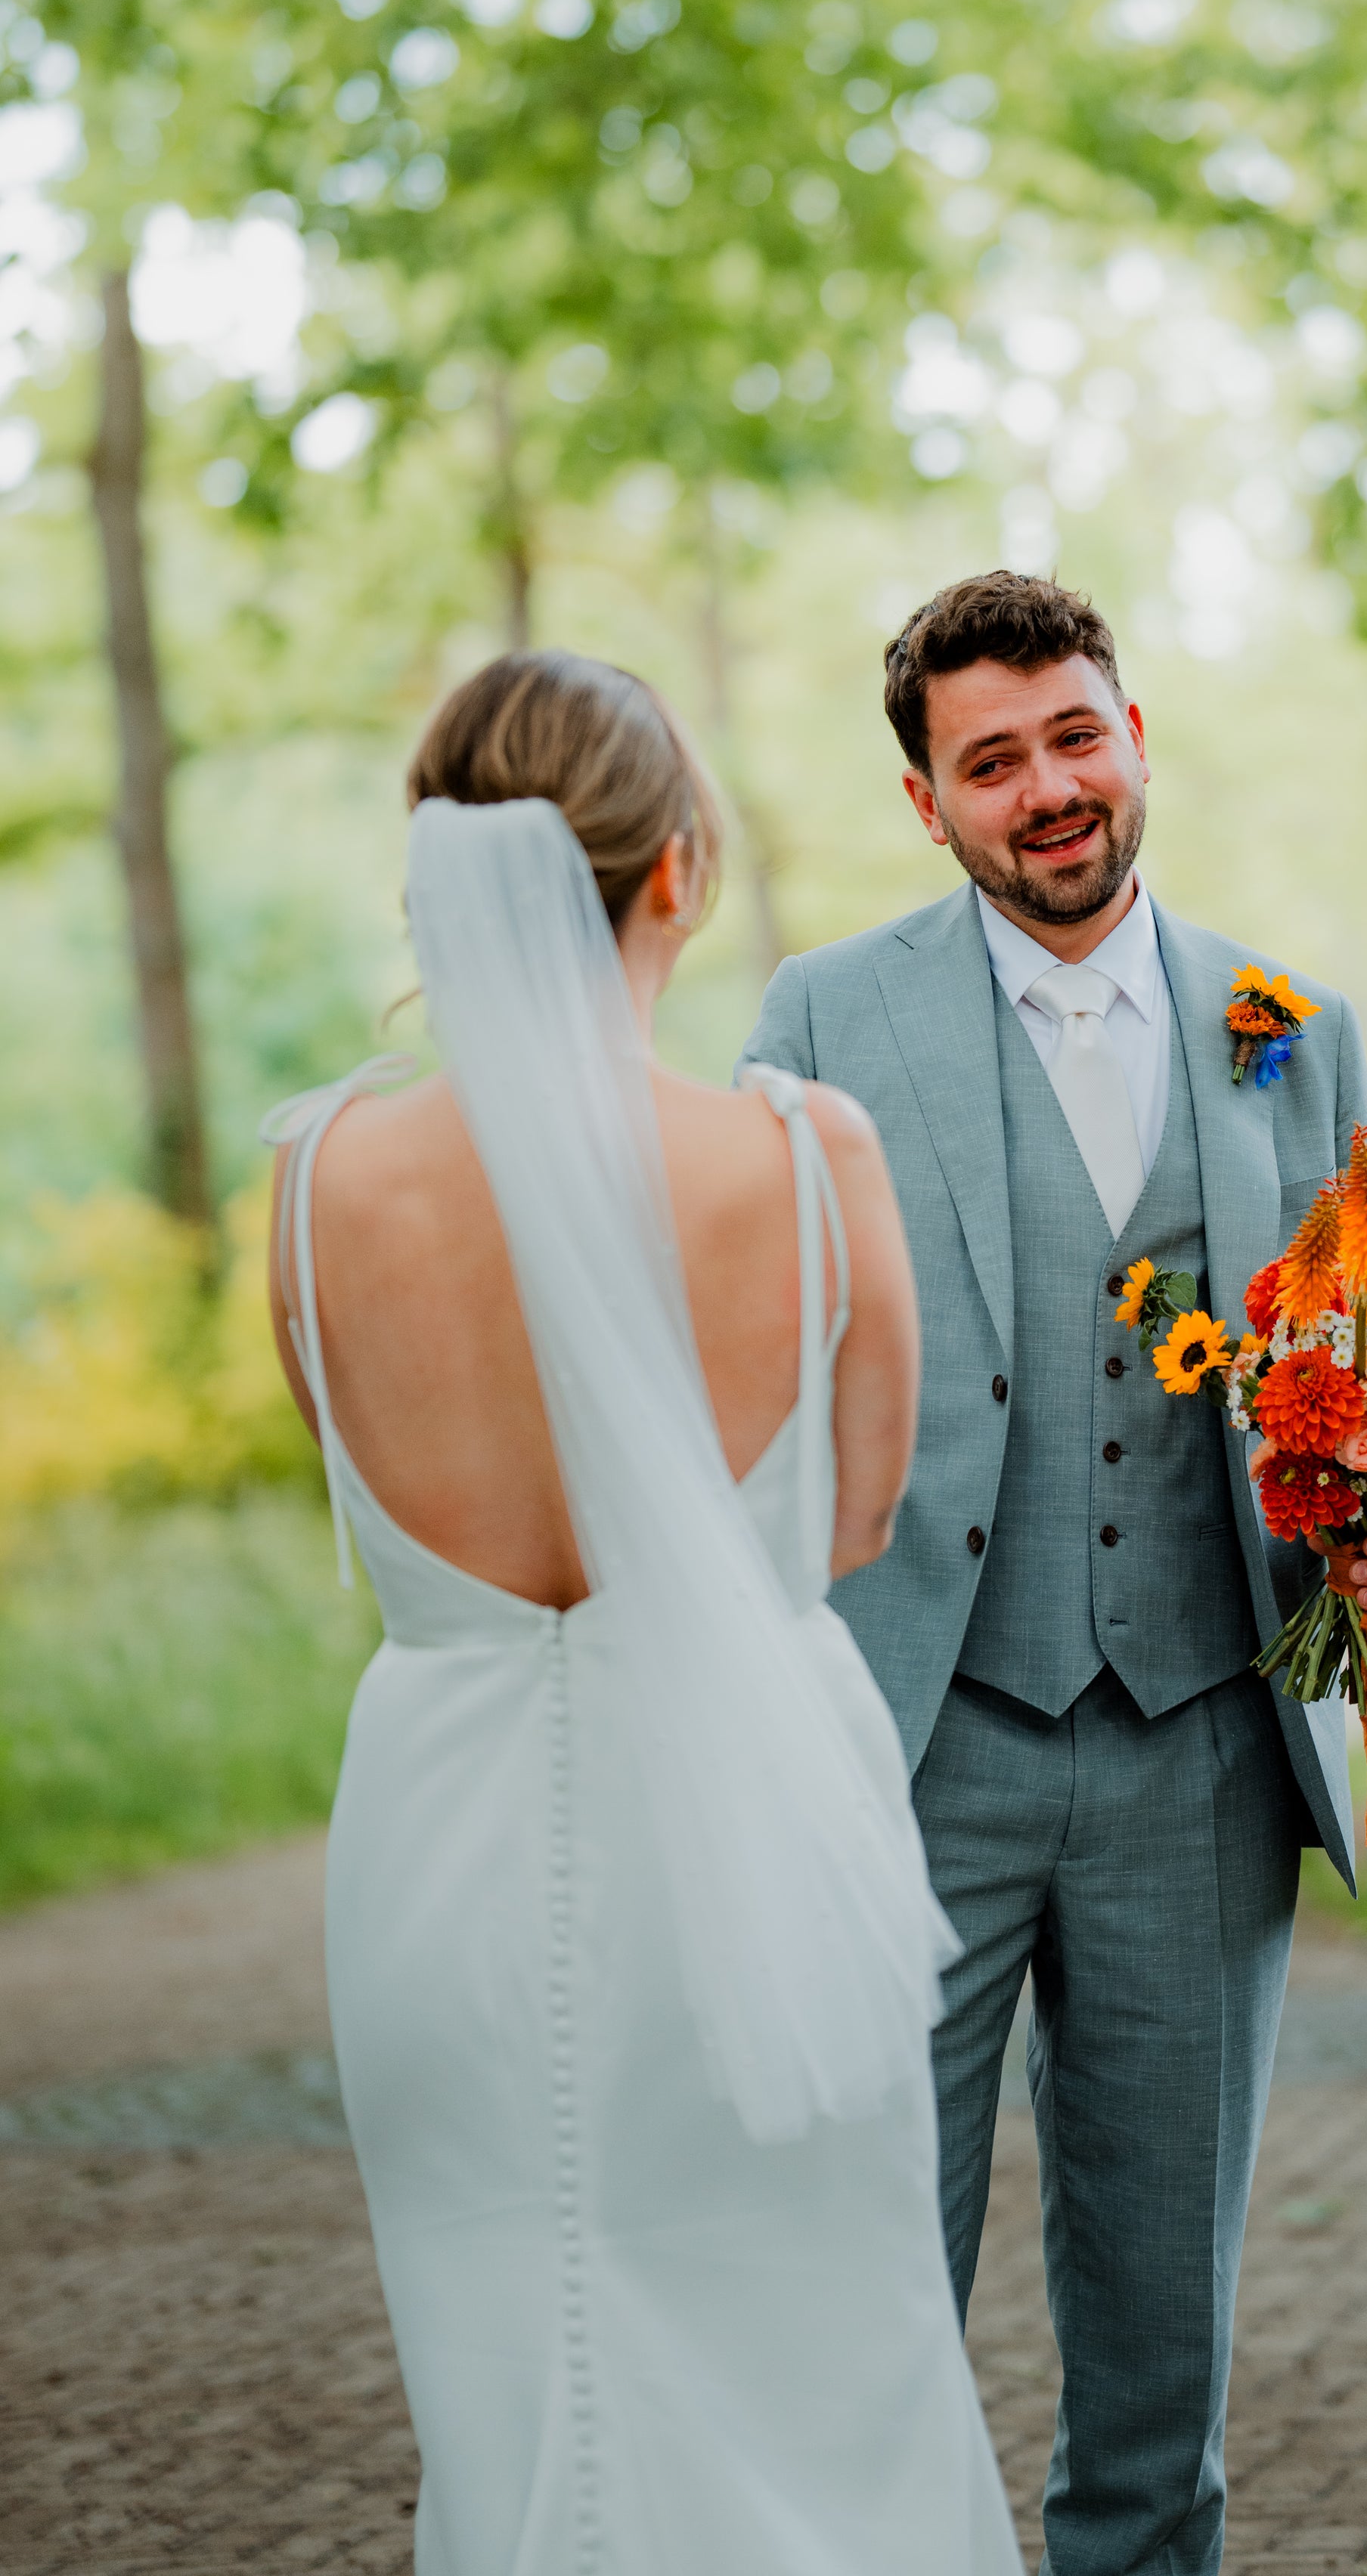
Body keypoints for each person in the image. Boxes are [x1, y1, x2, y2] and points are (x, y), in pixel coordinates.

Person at [264, 651, 1024, 2575]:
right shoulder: (799, 1156)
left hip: (440, 1867)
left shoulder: (315, 1186)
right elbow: (852, 1524)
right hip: (754, 1847)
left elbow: (358, 1478)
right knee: (826, 2375)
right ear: (675, 872)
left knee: (515, 2368)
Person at [740, 570, 1367, 2576]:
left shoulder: (1288, 1032)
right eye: (993, 762)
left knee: (1163, 2355)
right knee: (864, 2298)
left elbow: (1358, 1370)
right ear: (928, 804)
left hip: (1204, 1751)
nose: (1048, 788)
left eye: (1074, 735)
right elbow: (756, 1381)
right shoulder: (822, 1018)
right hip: (919, 1750)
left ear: (1133, 734)